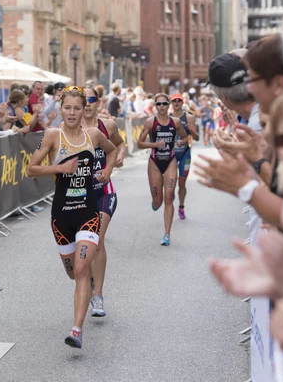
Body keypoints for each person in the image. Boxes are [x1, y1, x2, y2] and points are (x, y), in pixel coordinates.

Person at [27, 86, 117, 349]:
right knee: (73, 273)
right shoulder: (53, 136)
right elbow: (31, 169)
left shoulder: (94, 135)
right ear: (60, 107)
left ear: (83, 109)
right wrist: (60, 168)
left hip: (88, 212)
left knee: (80, 270)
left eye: (78, 108)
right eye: (67, 107)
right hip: (61, 217)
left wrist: (108, 169)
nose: (72, 112)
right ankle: (86, 287)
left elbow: (112, 151)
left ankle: (77, 330)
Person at [82, 86, 125, 317]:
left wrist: (116, 159)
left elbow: (119, 143)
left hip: (104, 191)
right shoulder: (68, 129)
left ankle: (97, 296)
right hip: (79, 195)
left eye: (91, 99)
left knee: (97, 240)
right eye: (83, 100)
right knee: (84, 245)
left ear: (98, 102)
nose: (87, 104)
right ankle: (90, 281)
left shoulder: (107, 125)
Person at [137, 93, 188, 246]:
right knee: (158, 202)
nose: (161, 106)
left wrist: (180, 142)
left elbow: (185, 137)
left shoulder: (176, 122)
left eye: (164, 104)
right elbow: (139, 143)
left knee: (169, 196)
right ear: (155, 106)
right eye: (158, 104)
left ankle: (167, 234)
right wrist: (154, 145)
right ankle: (155, 201)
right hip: (154, 163)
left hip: (171, 161)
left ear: (168, 105)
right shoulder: (150, 122)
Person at [170, 93, 200, 220]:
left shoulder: (189, 117)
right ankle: (170, 195)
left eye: (179, 101)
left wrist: (192, 131)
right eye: (174, 101)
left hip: (184, 154)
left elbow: (197, 138)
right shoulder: (167, 117)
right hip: (170, 154)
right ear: (171, 103)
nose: (176, 103)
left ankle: (181, 207)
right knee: (171, 182)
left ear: (182, 103)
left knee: (182, 183)